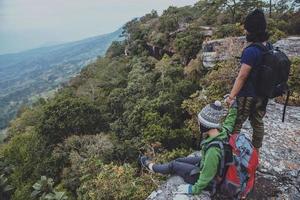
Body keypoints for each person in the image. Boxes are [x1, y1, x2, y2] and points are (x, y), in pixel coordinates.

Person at [139, 100, 237, 196]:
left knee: (174, 165)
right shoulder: (223, 132)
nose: (198, 124)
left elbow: (207, 176)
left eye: (200, 122)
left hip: (211, 182)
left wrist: (193, 189)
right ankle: (158, 167)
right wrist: (234, 107)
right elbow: (230, 122)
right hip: (211, 166)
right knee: (179, 160)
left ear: (206, 125)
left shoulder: (213, 151)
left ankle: (151, 167)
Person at [225, 9, 270, 152]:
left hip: (248, 95)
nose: (245, 31)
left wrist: (231, 96)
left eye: (246, 28)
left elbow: (242, 76)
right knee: (257, 122)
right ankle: (256, 152)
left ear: (251, 30)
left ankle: (231, 152)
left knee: (237, 122)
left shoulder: (251, 51)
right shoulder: (267, 46)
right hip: (262, 93)